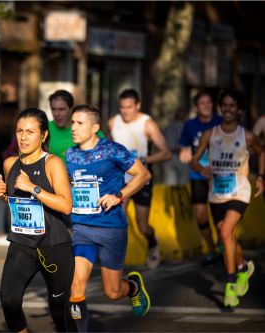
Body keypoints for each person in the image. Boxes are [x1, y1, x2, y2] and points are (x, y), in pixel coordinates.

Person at [66, 105, 151, 332]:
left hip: (110, 228)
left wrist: (118, 196)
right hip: (82, 229)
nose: (73, 127)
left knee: (112, 292)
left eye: (80, 123)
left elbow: (143, 175)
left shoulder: (113, 150)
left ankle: (132, 287)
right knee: (76, 287)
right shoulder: (70, 154)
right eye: (73, 122)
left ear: (95, 127)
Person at [0, 108, 76, 332]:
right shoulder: (10, 164)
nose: (23, 137)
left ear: (43, 135)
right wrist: (2, 196)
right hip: (22, 243)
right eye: (19, 131)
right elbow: (16, 202)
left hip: (54, 245)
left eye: (30, 132)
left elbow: (66, 205)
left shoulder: (52, 164)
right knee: (9, 302)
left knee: (60, 311)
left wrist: (33, 187)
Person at [190, 89, 264, 307]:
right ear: (221, 108)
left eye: (233, 106)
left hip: (240, 193)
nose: (228, 109)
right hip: (217, 194)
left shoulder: (246, 135)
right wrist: (202, 169)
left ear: (239, 110)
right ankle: (242, 268)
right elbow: (194, 160)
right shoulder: (209, 134)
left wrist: (260, 177)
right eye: (225, 105)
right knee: (227, 238)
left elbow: (262, 152)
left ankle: (230, 287)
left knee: (224, 232)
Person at [109, 89, 172, 269]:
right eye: (122, 107)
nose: (126, 111)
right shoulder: (114, 122)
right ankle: (114, 258)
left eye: (129, 107)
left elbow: (166, 153)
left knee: (142, 226)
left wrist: (142, 160)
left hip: (141, 178)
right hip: (120, 179)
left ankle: (152, 242)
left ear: (138, 105)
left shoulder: (148, 124)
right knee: (116, 216)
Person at [179, 90, 223, 265]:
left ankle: (222, 243)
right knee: (201, 215)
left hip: (219, 175)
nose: (206, 105)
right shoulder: (190, 125)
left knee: (220, 214)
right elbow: (183, 146)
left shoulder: (220, 122)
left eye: (209, 102)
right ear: (196, 107)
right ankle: (212, 250)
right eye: (202, 103)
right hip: (197, 175)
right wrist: (183, 151)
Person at [0, 83, 19, 246]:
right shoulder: (16, 112)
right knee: (8, 194)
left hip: (0, 158)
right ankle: (3, 231)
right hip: (10, 158)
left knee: (0, 195)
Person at [48, 90, 105, 163]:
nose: (57, 114)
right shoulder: (45, 129)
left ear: (71, 109)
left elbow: (106, 154)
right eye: (53, 109)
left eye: (61, 109)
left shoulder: (89, 129)